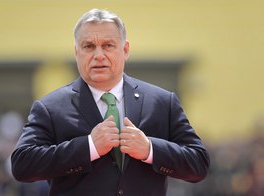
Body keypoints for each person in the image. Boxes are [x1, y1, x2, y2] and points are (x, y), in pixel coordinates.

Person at [11, 8, 210, 196]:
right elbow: (22, 165)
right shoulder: (51, 107)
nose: (98, 55)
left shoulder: (161, 102)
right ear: (76, 51)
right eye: (89, 46)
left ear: (125, 50)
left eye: (108, 45)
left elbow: (198, 163)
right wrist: (89, 147)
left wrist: (150, 149)